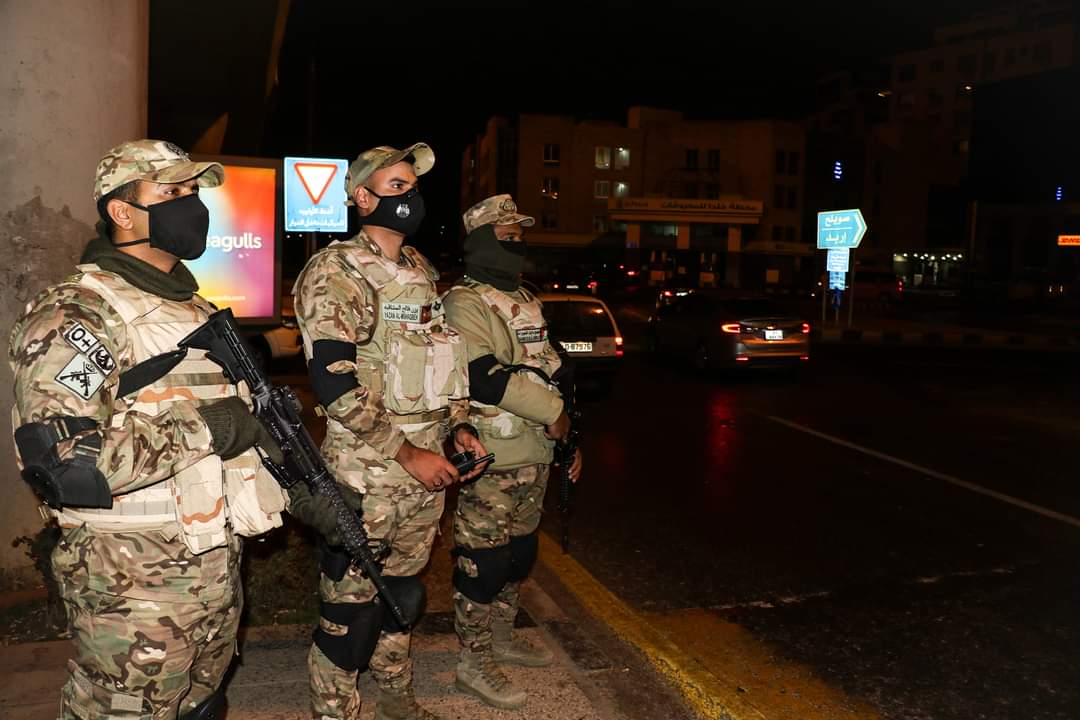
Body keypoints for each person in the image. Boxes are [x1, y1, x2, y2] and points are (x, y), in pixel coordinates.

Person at [8, 139, 289, 720]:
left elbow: (243, 430)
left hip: (213, 564)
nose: (192, 204)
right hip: (129, 583)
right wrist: (206, 427)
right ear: (122, 211)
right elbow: (64, 463)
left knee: (201, 706)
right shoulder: (79, 314)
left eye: (193, 191)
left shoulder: (197, 312)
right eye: (172, 191)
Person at [291, 143, 488, 720]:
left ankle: (396, 698)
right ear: (362, 197)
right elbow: (334, 386)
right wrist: (406, 453)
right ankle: (335, 712)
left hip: (426, 468)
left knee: (402, 594)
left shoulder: (420, 270)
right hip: (369, 472)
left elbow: (440, 360)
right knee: (351, 608)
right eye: (396, 186)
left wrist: (459, 425)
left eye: (412, 186)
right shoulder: (336, 271)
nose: (409, 196)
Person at [442, 194, 583, 710]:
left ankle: (501, 638)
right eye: (506, 236)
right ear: (481, 242)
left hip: (536, 451)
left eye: (520, 236)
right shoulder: (465, 302)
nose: (517, 244)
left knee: (519, 555)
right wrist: (554, 412)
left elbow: (550, 368)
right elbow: (483, 376)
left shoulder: (524, 297)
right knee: (482, 562)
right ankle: (473, 662)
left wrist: (569, 437)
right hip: (493, 456)